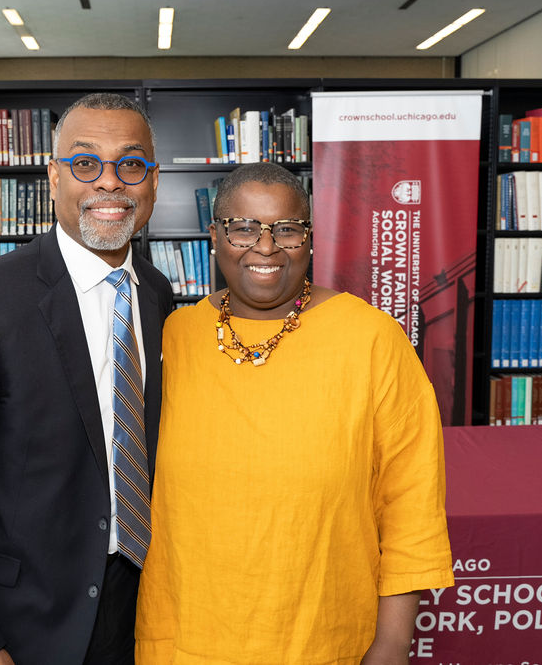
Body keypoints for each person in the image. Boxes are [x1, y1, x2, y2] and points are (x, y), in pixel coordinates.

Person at [135, 162, 454, 664]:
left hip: (323, 636)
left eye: (286, 229)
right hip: (184, 635)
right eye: (243, 228)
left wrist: (392, 642)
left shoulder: (371, 339)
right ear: (215, 237)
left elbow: (412, 503)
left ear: (310, 239)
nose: (266, 247)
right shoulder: (175, 336)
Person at [0, 92, 173, 665]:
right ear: (53, 177)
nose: (109, 183)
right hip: (26, 615)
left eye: (130, 163)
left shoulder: (158, 295)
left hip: (140, 595)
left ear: (152, 181)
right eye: (84, 163)